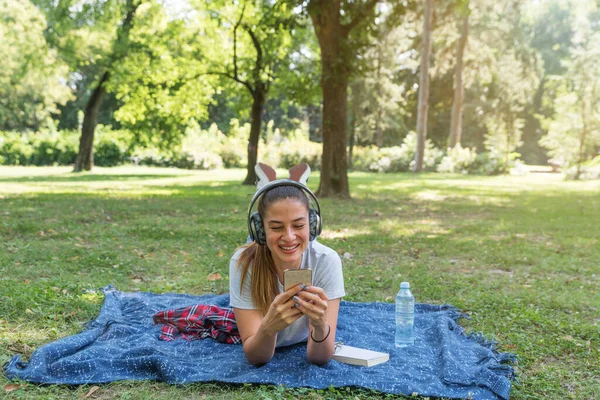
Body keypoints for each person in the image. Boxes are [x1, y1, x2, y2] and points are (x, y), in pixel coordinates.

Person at [229, 163, 345, 366]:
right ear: (260, 230)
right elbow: (256, 357)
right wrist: (268, 328)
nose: (289, 237)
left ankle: (284, 184)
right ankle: (272, 184)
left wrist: (320, 325)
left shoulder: (327, 260)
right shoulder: (243, 262)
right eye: (276, 227)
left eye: (299, 225)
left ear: (312, 225)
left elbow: (320, 358)